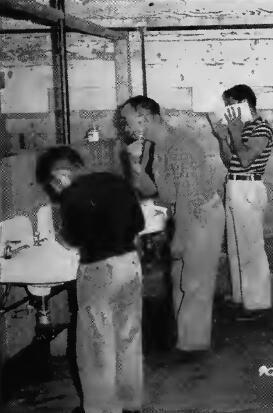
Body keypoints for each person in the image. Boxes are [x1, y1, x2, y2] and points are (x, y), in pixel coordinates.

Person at [35, 146, 145, 413]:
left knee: (97, 345)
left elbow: (72, 239)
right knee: (128, 337)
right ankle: (131, 404)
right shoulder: (117, 182)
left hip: (98, 271)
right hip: (130, 265)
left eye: (53, 185)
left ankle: (102, 408)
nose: (56, 192)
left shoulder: (73, 195)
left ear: (60, 175)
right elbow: (138, 223)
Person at [118, 95, 225, 353]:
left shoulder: (181, 148)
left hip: (200, 214)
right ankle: (186, 340)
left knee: (194, 283)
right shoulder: (153, 146)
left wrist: (179, 240)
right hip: (181, 213)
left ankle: (192, 347)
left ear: (145, 118)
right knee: (180, 279)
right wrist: (133, 166)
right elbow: (151, 189)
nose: (124, 126)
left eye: (127, 120)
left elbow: (188, 199)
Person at [209, 84, 273, 320]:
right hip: (234, 185)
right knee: (236, 247)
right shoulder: (243, 128)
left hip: (248, 185)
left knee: (251, 248)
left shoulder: (262, 128)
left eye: (229, 105)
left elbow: (246, 160)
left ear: (242, 104)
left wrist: (234, 133)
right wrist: (222, 138)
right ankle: (242, 297)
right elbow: (230, 161)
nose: (227, 110)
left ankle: (257, 304)